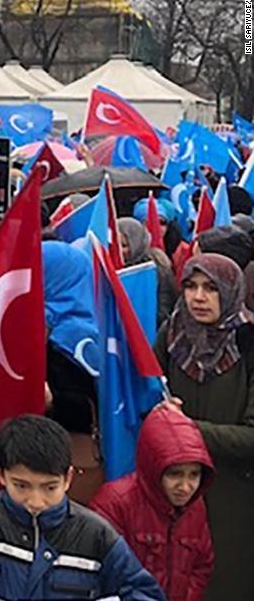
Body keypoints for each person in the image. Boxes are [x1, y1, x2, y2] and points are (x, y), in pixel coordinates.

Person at [0, 415, 164, 600]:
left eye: (49, 488)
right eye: (21, 486)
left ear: (68, 478)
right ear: (1, 474)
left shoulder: (96, 535)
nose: (36, 501)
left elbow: (143, 591)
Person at [155, 254, 254, 599]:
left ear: (230, 292)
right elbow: (147, 398)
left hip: (233, 501)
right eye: (191, 286)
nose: (198, 297)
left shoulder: (249, 343)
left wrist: (187, 430)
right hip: (176, 496)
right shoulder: (172, 335)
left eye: (211, 288)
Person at [90, 407, 215, 601]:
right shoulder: (114, 502)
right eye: (175, 474)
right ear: (153, 468)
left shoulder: (195, 506)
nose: (186, 487)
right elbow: (98, 572)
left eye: (194, 475)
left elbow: (201, 564)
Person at [41, 241, 103, 502]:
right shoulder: (30, 321)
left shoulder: (82, 338)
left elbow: (94, 404)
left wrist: (53, 400)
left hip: (67, 456)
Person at [118, 217, 178, 327]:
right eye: (116, 246)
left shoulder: (156, 269)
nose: (120, 251)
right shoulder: (109, 267)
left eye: (124, 246)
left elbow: (164, 308)